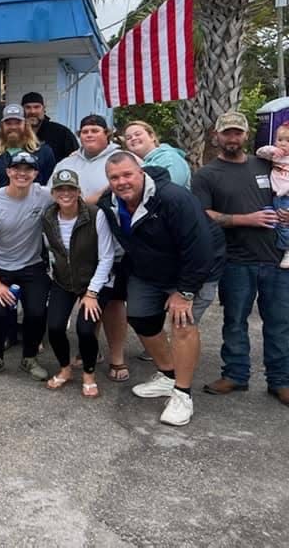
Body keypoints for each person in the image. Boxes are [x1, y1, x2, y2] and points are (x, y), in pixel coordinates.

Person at [99, 152, 225, 426]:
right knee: (142, 319)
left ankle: (183, 394)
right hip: (150, 270)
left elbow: (200, 249)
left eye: (127, 174)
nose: (122, 182)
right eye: (114, 177)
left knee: (182, 324)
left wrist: (185, 292)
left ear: (141, 172)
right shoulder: (107, 203)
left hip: (195, 268)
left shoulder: (174, 198)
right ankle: (168, 375)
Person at [193, 112, 289, 407]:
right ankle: (235, 374)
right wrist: (244, 219)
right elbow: (202, 215)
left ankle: (281, 381)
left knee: (280, 323)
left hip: (277, 259)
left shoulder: (264, 164)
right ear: (217, 136)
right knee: (235, 321)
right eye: (227, 133)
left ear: (246, 135)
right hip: (235, 260)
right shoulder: (206, 175)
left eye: (237, 133)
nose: (232, 138)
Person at [55, 114, 129, 381]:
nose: (89, 135)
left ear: (106, 133)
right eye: (84, 131)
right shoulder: (68, 162)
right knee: (89, 302)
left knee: (113, 303)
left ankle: (118, 357)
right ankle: (91, 351)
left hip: (113, 244)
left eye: (95, 130)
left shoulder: (121, 158)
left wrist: (94, 198)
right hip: (78, 250)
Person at [0, 151, 53, 381]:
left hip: (32, 264)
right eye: (16, 168)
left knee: (37, 312)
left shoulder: (44, 195)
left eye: (28, 169)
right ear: (8, 172)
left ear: (36, 174)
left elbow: (75, 197)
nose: (22, 173)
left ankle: (29, 358)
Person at [42, 169, 116, 398]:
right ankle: (65, 369)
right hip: (63, 281)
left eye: (70, 189)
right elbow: (49, 250)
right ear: (54, 193)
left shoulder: (95, 215)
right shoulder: (47, 217)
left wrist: (92, 293)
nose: (66, 193)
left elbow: (107, 257)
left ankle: (89, 373)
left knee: (85, 329)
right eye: (60, 189)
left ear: (78, 192)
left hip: (93, 282)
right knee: (54, 327)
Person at [0, 104, 55, 185]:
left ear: (26, 125)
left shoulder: (44, 152)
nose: (13, 127)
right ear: (2, 126)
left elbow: (50, 186)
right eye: (8, 123)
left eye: (18, 123)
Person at [256, 120, 289, 269]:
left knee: (284, 224)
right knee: (274, 221)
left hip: (286, 196)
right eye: (279, 139)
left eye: (288, 141)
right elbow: (259, 152)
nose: (282, 143)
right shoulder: (276, 155)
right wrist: (272, 150)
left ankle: (287, 250)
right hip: (276, 195)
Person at [123, 120, 192, 189]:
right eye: (128, 138)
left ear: (152, 137)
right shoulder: (134, 164)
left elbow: (171, 189)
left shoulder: (170, 158)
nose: (133, 138)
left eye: (138, 134)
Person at [21, 91, 79, 163]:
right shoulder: (17, 134)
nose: (32, 111)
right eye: (28, 107)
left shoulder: (62, 133)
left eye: (37, 107)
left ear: (44, 109)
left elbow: (75, 160)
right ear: (22, 110)